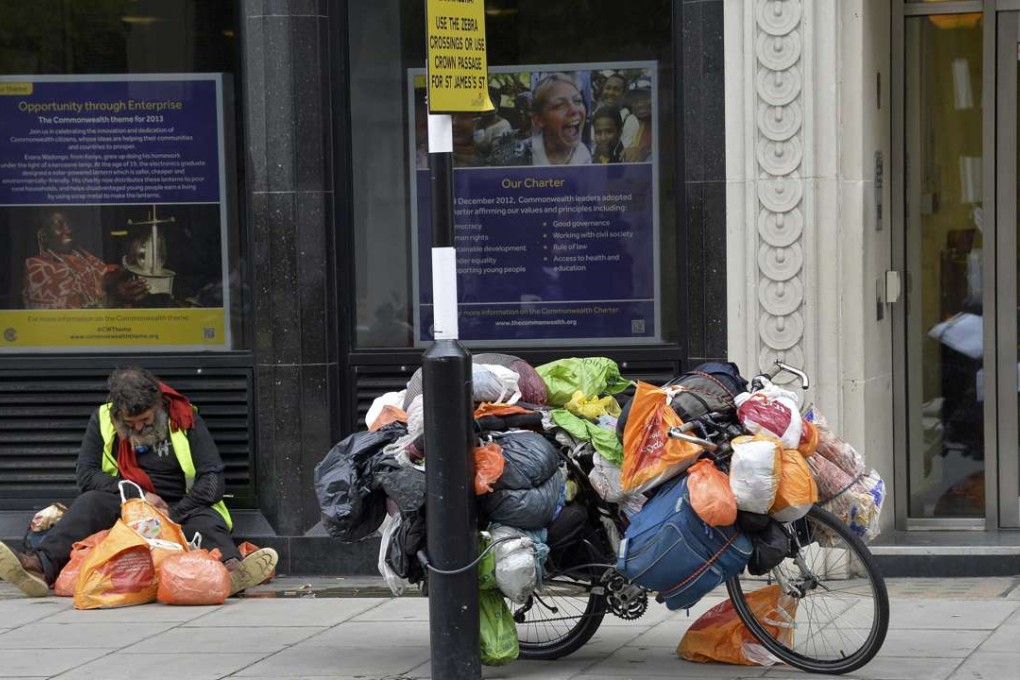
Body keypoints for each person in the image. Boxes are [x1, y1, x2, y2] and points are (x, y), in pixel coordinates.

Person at [0, 367, 277, 598]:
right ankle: (38, 565)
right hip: (127, 504)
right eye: (130, 423)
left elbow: (213, 480)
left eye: (144, 420)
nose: (139, 428)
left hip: (180, 505)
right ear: (116, 414)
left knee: (206, 520)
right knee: (90, 502)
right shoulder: (102, 419)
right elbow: (86, 475)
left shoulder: (184, 416)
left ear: (158, 406)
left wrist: (172, 514)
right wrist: (139, 497)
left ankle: (231, 570)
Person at [22, 209, 149, 309]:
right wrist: (115, 298)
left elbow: (102, 278)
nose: (69, 229)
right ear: (43, 236)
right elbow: (71, 319)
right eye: (59, 225)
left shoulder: (78, 254)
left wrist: (130, 261)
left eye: (68, 224)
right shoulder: (37, 268)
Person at [530, 73, 591, 166]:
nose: (574, 110)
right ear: (539, 120)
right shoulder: (521, 157)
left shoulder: (584, 154)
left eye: (578, 101)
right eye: (560, 105)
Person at [621, 82, 653, 162]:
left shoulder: (666, 126)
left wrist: (643, 151)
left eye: (645, 98)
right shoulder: (639, 129)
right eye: (635, 100)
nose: (639, 104)